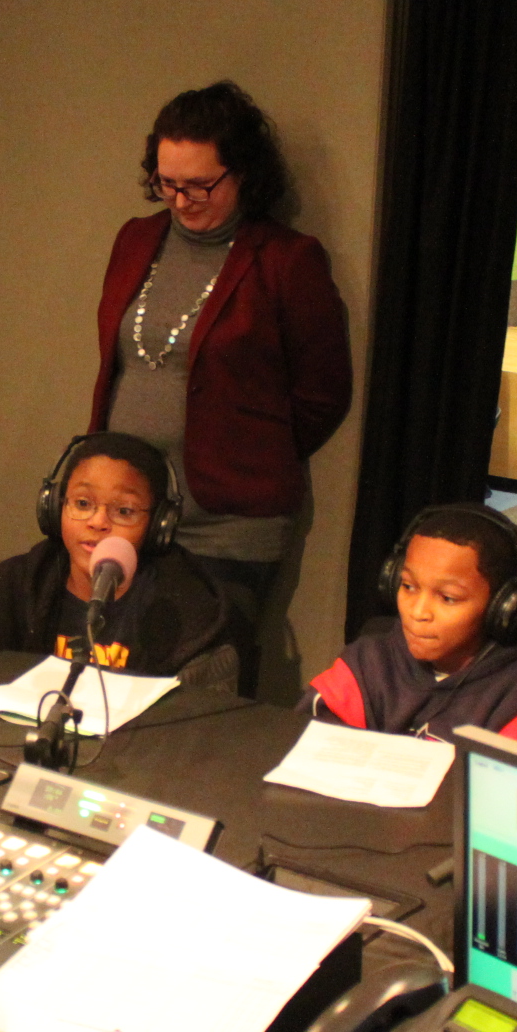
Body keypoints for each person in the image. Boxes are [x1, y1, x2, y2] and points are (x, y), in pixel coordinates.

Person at [91, 82, 352, 690]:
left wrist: (245, 453)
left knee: (204, 689)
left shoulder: (287, 261)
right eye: (167, 182)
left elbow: (322, 394)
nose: (181, 200)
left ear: (242, 174)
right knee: (113, 674)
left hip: (227, 522)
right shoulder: (135, 241)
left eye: (199, 185)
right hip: (125, 510)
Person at [0, 431, 235, 688]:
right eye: (83, 504)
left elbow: (201, 726)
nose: (98, 522)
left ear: (157, 526)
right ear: (54, 507)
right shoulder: (10, 589)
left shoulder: (190, 611)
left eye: (123, 510)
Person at [300, 503, 517, 749]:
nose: (418, 612)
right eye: (408, 587)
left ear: (503, 607)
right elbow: (304, 745)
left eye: (448, 598)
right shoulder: (367, 663)